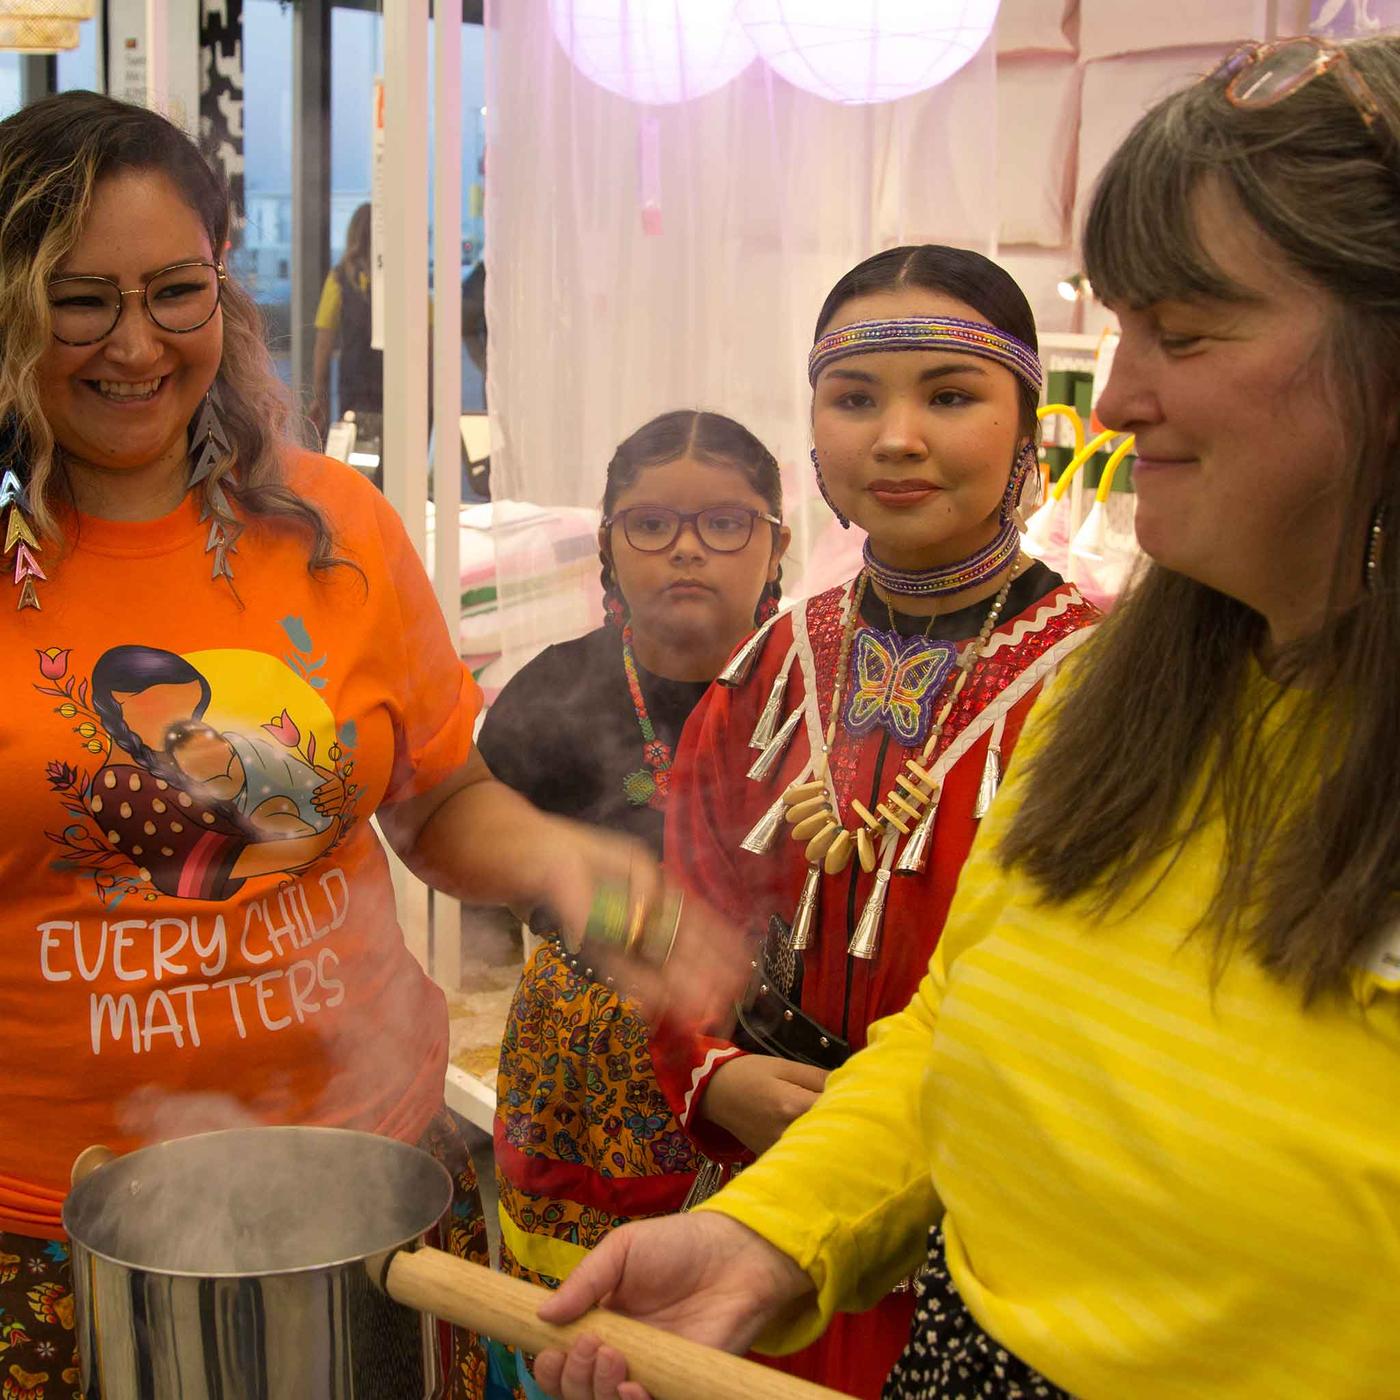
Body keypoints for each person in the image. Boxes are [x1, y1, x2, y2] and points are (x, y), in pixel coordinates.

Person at [532, 33, 1400, 1400]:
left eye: (1182, 332)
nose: (1115, 393)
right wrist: (751, 1180)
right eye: (854, 396)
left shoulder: (1065, 659)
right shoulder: (1102, 697)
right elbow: (958, 1021)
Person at [0, 92, 735, 1400]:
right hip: (55, 1229)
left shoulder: (329, 523)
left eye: (178, 291)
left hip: (371, 1174)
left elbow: (436, 797)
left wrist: (568, 861)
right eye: (77, 300)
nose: (135, 345)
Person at [632, 246, 1099, 1398]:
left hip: (998, 1240)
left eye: (949, 394)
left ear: (1027, 430)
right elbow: (674, 916)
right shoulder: (771, 666)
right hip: (771, 1199)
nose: (895, 437)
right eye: (855, 398)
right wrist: (710, 1069)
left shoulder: (1102, 684)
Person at [476, 408, 787, 1392]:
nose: (686, 547)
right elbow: (500, 876)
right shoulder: (547, 695)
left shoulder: (817, 692)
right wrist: (632, 932)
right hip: (579, 1086)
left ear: (776, 543)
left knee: (738, 1340)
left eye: (725, 522)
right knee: (577, 1349)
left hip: (763, 1079)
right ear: (606, 543)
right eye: (649, 522)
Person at [309, 200, 380, 442]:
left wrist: (320, 398)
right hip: (397, 389)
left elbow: (323, 345)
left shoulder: (339, 279)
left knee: (359, 459)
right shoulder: (405, 279)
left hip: (355, 390)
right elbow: (429, 341)